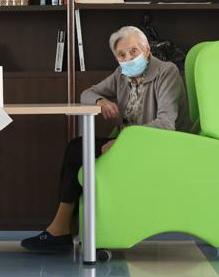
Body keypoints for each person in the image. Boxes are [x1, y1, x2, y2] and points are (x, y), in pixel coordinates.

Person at [22, 26, 191, 252]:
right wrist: (101, 101)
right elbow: (86, 94)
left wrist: (123, 142)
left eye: (133, 51)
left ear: (147, 50)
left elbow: (166, 124)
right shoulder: (121, 74)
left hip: (157, 147)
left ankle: (61, 229)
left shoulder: (166, 72)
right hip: (132, 145)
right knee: (77, 147)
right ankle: (63, 227)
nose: (128, 58)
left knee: (78, 150)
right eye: (122, 55)